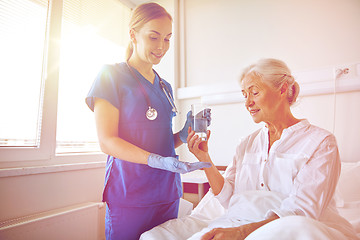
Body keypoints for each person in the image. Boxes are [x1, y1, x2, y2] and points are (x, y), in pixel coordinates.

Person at [140, 58, 358, 240]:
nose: (247, 103)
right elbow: (227, 199)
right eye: (245, 94)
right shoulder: (247, 143)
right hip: (238, 220)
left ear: (283, 89)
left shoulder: (321, 143)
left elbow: (302, 212)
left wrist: (241, 233)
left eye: (254, 92)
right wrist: (205, 158)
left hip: (286, 228)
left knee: (298, 229)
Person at [85, 3, 211, 240]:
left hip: (167, 194)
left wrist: (183, 135)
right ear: (133, 35)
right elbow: (107, 141)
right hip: (130, 195)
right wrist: (155, 160)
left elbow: (161, 144)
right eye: (154, 37)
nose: (162, 46)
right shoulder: (110, 75)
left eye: (167, 38)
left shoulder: (165, 87)